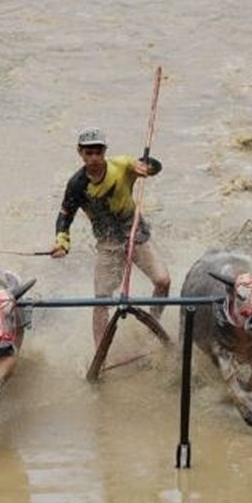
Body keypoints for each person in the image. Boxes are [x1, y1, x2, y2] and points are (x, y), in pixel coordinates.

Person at [51, 126, 171, 346]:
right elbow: (65, 215)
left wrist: (148, 166)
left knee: (163, 281)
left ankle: (154, 325)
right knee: (101, 301)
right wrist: (62, 242)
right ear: (80, 153)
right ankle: (101, 352)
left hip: (136, 234)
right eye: (89, 153)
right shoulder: (77, 185)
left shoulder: (122, 165)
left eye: (98, 152)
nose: (94, 158)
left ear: (105, 150)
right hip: (108, 243)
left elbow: (155, 167)